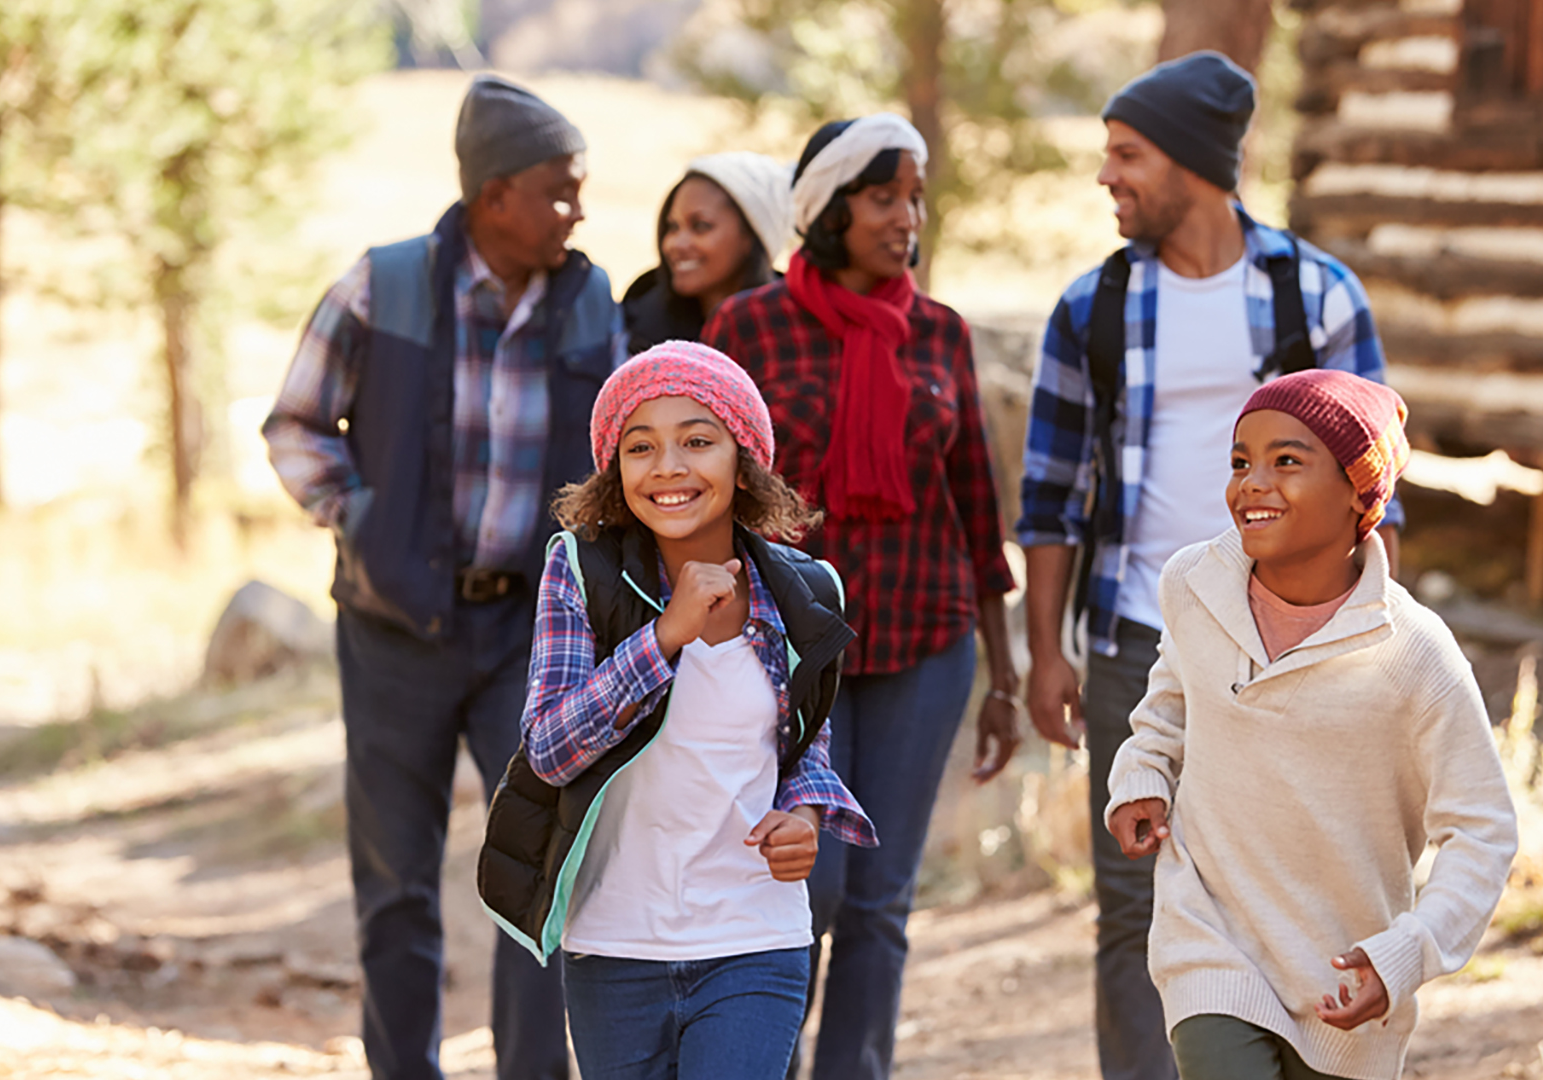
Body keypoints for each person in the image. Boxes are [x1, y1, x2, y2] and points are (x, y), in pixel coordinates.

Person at [1014, 52, 1405, 1080]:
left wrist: (1377, 649)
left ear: (1193, 164)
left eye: (1127, 155)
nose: (1108, 176)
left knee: (1295, 885)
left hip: (1289, 645)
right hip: (1131, 640)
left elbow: (1377, 492)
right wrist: (1043, 652)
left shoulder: (1313, 295)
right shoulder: (1087, 310)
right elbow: (1048, 500)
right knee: (1133, 901)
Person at [263, 74, 624, 1080]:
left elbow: (621, 453)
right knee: (395, 882)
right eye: (560, 189)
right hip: (392, 631)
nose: (577, 210)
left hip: (530, 636)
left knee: (537, 869)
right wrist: (361, 519)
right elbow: (294, 426)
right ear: (493, 196)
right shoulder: (382, 286)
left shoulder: (591, 300)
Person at [703, 113, 1020, 1080]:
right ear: (828, 210)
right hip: (793, 658)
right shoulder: (749, 327)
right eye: (885, 197)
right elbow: (712, 491)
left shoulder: (941, 334)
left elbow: (975, 505)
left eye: (915, 198)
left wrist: (1003, 670)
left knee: (881, 899)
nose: (907, 218)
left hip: (926, 643)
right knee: (809, 887)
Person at [1103, 370, 1518, 1080]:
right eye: (1241, 462)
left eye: (1286, 461)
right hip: (1211, 937)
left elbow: (1482, 831)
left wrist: (1405, 954)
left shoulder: (1413, 654)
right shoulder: (1193, 585)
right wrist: (1143, 773)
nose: (1252, 483)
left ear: (1360, 492)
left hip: (1344, 972)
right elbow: (1169, 703)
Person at [495, 341, 878, 1080]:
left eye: (698, 441)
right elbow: (550, 747)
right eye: (640, 447)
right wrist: (665, 635)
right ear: (616, 471)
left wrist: (804, 817)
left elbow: (806, 748)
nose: (668, 466)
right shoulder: (578, 570)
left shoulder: (804, 589)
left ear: (744, 461)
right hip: (614, 945)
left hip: (754, 937)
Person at [623, 153, 793, 354]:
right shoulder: (635, 324)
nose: (675, 244)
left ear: (752, 236)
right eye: (673, 226)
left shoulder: (795, 333)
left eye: (700, 226)